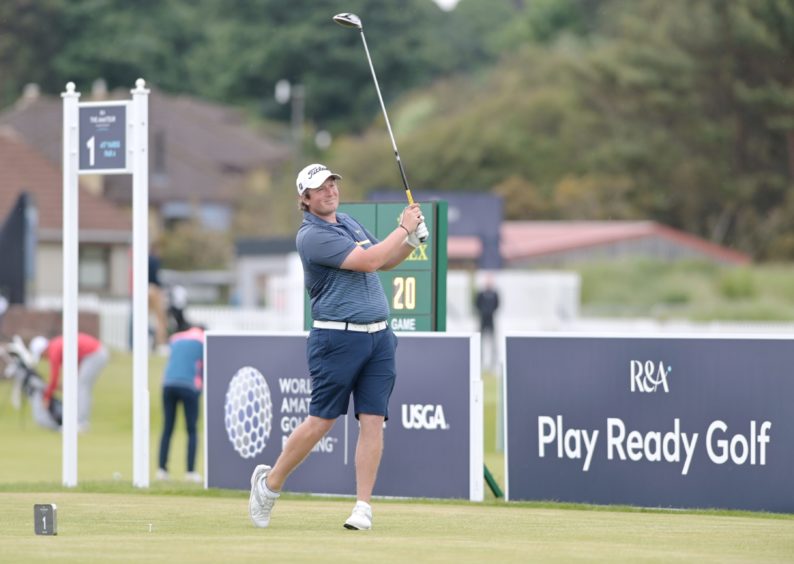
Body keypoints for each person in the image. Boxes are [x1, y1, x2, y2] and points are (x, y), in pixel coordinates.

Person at [248, 163, 427, 531]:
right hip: (337, 338)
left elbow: (386, 262)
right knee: (321, 421)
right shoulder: (311, 236)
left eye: (332, 184)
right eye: (320, 187)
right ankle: (269, 485)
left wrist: (410, 242)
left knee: (374, 420)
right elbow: (369, 261)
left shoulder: (347, 222)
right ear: (305, 198)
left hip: (379, 337)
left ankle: (363, 507)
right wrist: (404, 228)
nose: (330, 191)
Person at [30, 332, 109, 432]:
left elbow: (54, 377)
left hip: (95, 353)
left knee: (81, 387)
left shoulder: (54, 350)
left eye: (41, 356)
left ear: (43, 351)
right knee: (80, 386)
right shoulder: (56, 345)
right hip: (95, 353)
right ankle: (78, 420)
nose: (44, 359)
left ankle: (81, 422)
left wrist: (47, 397)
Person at [157, 326, 205, 483]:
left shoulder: (176, 339)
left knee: (167, 428)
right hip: (189, 386)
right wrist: (200, 388)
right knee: (191, 429)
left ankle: (161, 470)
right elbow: (203, 368)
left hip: (168, 384)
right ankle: (190, 472)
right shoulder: (203, 341)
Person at [475, 273, 500, 372]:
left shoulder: (494, 294)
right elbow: (477, 304)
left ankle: (493, 363)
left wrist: (491, 311)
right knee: (480, 341)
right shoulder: (481, 293)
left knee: (493, 342)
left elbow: (497, 304)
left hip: (491, 320)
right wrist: (483, 311)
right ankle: (480, 362)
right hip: (482, 320)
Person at [148, 241, 168, 350]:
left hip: (144, 290)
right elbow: (156, 277)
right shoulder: (155, 260)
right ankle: (160, 343)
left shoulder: (143, 259)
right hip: (154, 289)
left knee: (143, 319)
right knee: (161, 319)